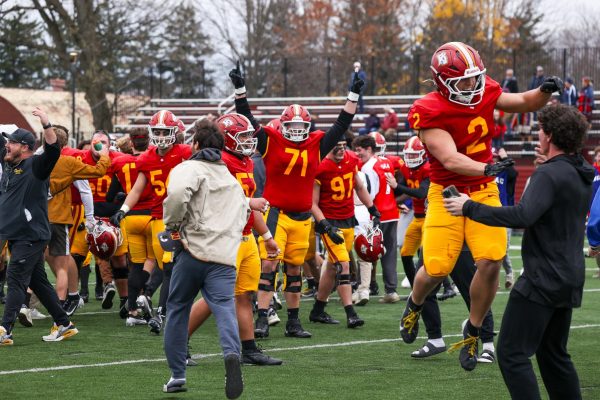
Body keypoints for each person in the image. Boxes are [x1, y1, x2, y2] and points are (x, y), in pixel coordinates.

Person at [400, 41, 563, 371]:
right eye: (465, 81)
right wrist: (486, 167)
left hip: (482, 190)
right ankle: (415, 303)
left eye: (476, 78)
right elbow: (449, 157)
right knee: (436, 268)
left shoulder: (483, 88)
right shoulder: (427, 109)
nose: (473, 86)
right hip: (446, 192)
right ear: (444, 82)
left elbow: (521, 101)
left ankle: (473, 329)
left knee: (490, 260)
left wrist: (544, 92)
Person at [446, 103, 591, 399]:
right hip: (569, 276)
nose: (538, 135)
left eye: (540, 130)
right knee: (553, 355)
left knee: (512, 353)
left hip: (542, 278)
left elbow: (524, 216)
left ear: (549, 136)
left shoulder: (550, 174)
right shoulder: (580, 172)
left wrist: (469, 207)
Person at [229, 61, 362, 339]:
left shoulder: (317, 142)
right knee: (269, 266)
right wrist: (240, 90)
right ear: (284, 125)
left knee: (294, 270)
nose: (298, 130)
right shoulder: (271, 139)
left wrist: (352, 97)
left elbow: (341, 125)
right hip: (277, 214)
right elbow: (247, 117)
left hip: (302, 218)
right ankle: (262, 318)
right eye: (293, 125)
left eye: (303, 125)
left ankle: (293, 321)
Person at [161, 119, 249, 398]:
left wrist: (172, 225)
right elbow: (243, 213)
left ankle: (177, 374)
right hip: (223, 255)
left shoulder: (189, 167)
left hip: (192, 250)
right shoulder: (231, 178)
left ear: (196, 144)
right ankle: (232, 354)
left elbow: (176, 195)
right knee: (224, 308)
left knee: (177, 308)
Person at [185, 114, 282, 366]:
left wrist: (267, 236)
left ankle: (248, 350)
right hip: (225, 237)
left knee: (244, 295)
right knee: (215, 296)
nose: (249, 141)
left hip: (246, 235)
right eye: (243, 137)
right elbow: (223, 201)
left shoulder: (246, 161)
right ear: (226, 139)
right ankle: (179, 342)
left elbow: (250, 208)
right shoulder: (219, 162)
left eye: (249, 136)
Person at [0, 108, 79, 345]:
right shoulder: (9, 165)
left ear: (25, 147)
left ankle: (5, 330)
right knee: (38, 282)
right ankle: (64, 323)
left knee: (15, 279)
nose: (7, 146)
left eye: (11, 143)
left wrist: (46, 124)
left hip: (30, 235)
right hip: (17, 234)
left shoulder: (36, 165)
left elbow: (53, 149)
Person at [110, 110, 191, 334]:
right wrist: (123, 209)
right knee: (168, 266)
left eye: (165, 131)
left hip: (187, 217)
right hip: (161, 219)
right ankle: (161, 311)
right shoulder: (147, 158)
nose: (161, 135)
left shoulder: (185, 152)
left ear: (175, 132)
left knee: (179, 267)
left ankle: (158, 307)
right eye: (157, 131)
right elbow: (137, 188)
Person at [309, 140, 379, 327]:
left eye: (342, 145)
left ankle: (317, 310)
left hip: (348, 220)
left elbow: (359, 187)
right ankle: (351, 313)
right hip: (330, 223)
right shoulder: (321, 166)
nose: (340, 150)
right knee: (343, 265)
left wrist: (372, 209)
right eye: (335, 146)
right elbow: (312, 203)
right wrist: (324, 224)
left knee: (332, 268)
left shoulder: (351, 159)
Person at [353, 135, 399, 303]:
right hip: (392, 211)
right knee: (389, 253)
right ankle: (390, 290)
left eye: (360, 150)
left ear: (369, 149)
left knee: (367, 251)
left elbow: (370, 193)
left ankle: (364, 287)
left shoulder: (368, 167)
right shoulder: (386, 161)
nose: (358, 154)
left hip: (377, 213)